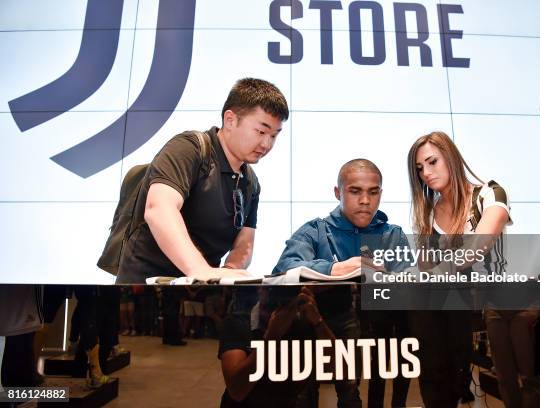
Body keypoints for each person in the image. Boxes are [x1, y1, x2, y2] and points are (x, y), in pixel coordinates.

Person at [116, 78, 289, 283]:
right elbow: (159, 209)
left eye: (274, 135)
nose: (266, 143)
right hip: (143, 291)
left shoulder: (251, 182)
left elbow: (244, 243)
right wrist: (199, 269)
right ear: (230, 120)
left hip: (198, 294)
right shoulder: (189, 149)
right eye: (261, 131)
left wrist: (228, 273)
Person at [273, 158, 411, 408]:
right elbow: (284, 268)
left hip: (377, 335)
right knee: (304, 394)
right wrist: (336, 268)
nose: (365, 201)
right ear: (338, 192)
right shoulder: (314, 231)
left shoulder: (393, 236)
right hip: (313, 330)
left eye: (373, 192)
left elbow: (408, 284)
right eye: (355, 191)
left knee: (352, 395)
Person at [407, 131, 527, 408]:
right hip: (449, 312)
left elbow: (478, 246)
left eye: (432, 162)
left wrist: (440, 267)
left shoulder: (490, 193)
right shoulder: (426, 212)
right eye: (419, 168)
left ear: (450, 156)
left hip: (492, 304)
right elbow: (425, 269)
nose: (426, 173)